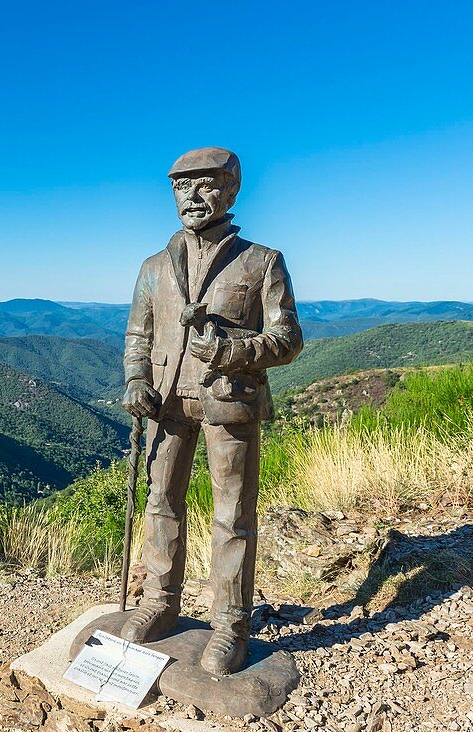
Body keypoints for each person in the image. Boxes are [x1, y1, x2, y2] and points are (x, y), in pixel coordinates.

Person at [120, 147, 302, 675]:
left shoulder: (262, 261)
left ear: (232, 189)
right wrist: (135, 381)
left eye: (206, 184)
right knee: (161, 505)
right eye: (182, 186)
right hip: (167, 400)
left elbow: (288, 338)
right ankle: (160, 602)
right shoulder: (153, 267)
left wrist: (230, 352)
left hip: (231, 400)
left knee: (233, 517)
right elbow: (138, 335)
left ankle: (230, 625)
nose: (193, 196)